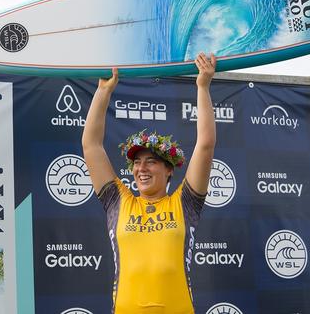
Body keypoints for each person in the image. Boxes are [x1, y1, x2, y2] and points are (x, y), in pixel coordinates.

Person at [82, 53, 217, 314]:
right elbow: (91, 146)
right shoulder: (117, 202)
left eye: (151, 161)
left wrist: (202, 87)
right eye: (137, 163)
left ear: (169, 170)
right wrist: (102, 92)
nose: (141, 168)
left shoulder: (185, 203)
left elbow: (205, 145)